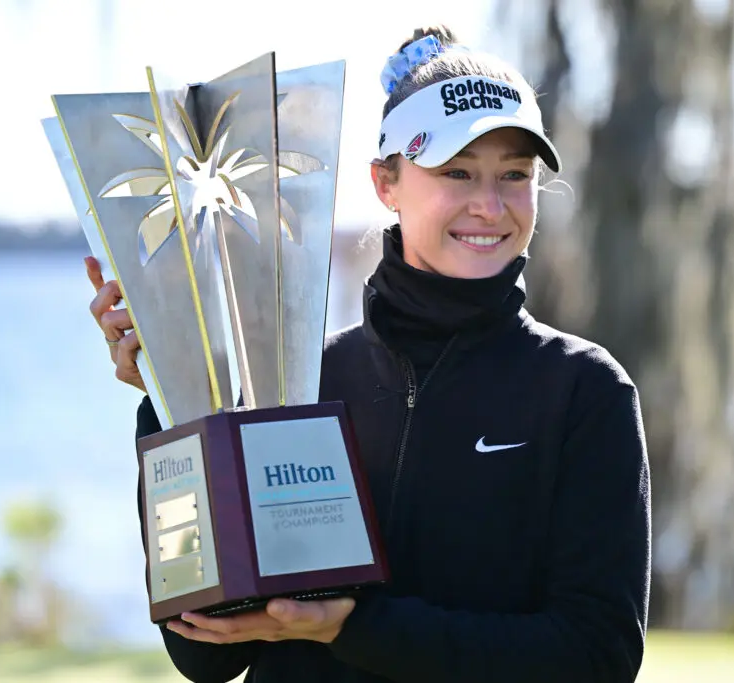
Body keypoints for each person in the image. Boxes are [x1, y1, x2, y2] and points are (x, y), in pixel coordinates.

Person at [86, 25, 651, 683]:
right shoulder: (297, 382)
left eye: (515, 175)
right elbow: (203, 650)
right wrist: (170, 395)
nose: (490, 205)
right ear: (386, 183)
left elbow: (596, 656)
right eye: (457, 172)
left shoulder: (583, 390)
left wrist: (353, 627)